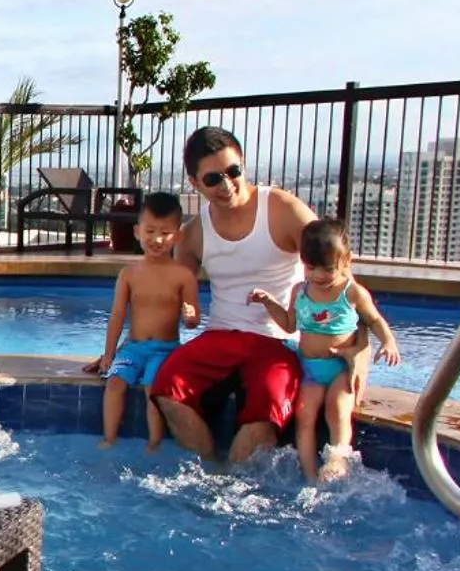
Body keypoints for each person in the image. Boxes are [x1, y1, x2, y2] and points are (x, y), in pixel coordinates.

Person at [149, 126, 369, 464]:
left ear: (243, 164)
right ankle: (209, 473)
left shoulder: (281, 209)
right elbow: (169, 297)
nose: (226, 185)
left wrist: (360, 352)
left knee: (266, 409)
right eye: (212, 179)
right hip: (221, 336)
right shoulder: (195, 234)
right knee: (167, 386)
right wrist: (129, 349)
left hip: (277, 341)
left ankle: (234, 491)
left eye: (233, 171)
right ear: (194, 183)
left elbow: (344, 283)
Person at [249, 219, 401, 482]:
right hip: (310, 368)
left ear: (346, 261)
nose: (318, 275)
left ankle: (337, 459)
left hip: (340, 368)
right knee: (304, 414)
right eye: (311, 267)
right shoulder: (301, 291)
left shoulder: (352, 293)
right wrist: (268, 302)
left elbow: (375, 320)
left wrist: (388, 341)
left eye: (327, 269)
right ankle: (309, 475)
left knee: (337, 408)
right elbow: (289, 324)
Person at [82, 191, 199, 450]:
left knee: (150, 387)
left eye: (165, 233)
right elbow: (117, 316)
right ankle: (109, 438)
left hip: (165, 348)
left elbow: (193, 320)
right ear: (137, 232)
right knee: (114, 383)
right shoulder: (129, 274)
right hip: (133, 347)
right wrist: (108, 354)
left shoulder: (183, 276)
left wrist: (191, 318)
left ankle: (154, 442)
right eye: (150, 231)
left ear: (177, 236)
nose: (157, 239)